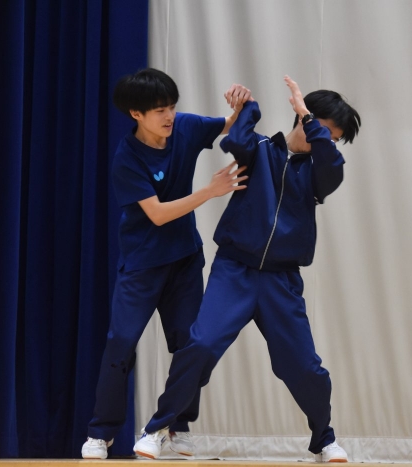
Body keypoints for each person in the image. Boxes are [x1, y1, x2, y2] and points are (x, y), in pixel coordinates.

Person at [132, 75, 361, 463]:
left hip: (281, 280)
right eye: (327, 131)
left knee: (305, 367)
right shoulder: (260, 150)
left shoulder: (317, 173)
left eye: (333, 137)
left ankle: (324, 439)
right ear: (306, 118)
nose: (328, 140)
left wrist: (310, 119)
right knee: (200, 345)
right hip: (234, 271)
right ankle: (158, 428)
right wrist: (245, 107)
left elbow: (333, 167)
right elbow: (235, 140)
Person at [81, 68, 251, 459]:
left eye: (172, 106)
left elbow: (230, 123)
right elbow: (157, 214)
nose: (170, 115)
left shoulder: (186, 127)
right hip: (142, 264)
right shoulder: (127, 158)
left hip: (185, 260)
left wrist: (241, 103)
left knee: (190, 345)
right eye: (160, 110)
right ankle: (100, 433)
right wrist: (209, 191)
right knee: (120, 343)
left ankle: (178, 424)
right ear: (136, 114)